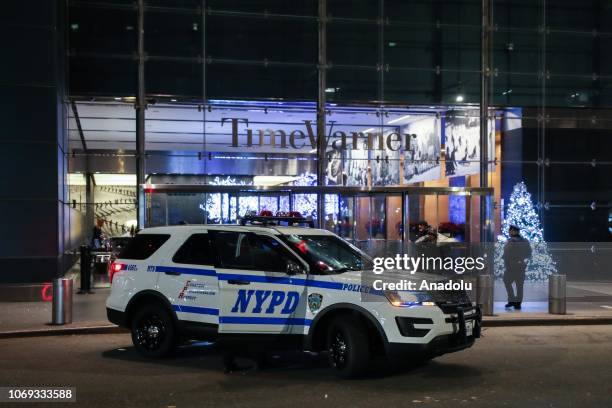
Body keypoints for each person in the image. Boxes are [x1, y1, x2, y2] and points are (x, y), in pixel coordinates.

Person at [503, 225, 532, 310]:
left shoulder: (511, 241)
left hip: (511, 266)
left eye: (510, 231)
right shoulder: (525, 241)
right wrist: (522, 261)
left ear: (514, 231)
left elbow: (507, 253)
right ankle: (517, 303)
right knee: (519, 285)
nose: (509, 232)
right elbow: (529, 253)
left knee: (507, 281)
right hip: (520, 266)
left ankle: (512, 300)